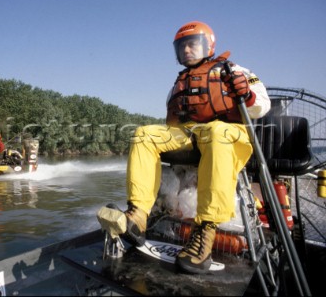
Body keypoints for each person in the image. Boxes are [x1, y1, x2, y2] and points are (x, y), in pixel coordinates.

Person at [98, 21, 271, 274]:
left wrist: (248, 94)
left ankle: (206, 231)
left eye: (192, 44)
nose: (187, 50)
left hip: (227, 131)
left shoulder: (235, 70)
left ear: (208, 45)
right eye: (182, 47)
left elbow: (262, 105)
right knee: (143, 134)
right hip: (190, 133)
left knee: (216, 131)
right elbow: (173, 119)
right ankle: (138, 215)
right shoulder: (178, 83)